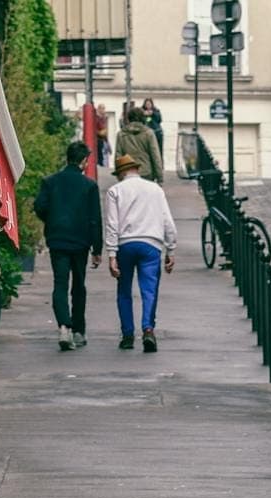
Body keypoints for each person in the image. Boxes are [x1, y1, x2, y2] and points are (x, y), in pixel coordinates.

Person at [103, 153, 177, 352]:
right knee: (149, 290)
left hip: (125, 245)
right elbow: (167, 220)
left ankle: (127, 335)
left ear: (121, 172)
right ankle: (148, 329)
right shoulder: (155, 189)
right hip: (151, 244)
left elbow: (112, 224)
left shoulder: (115, 191)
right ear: (136, 169)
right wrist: (171, 249)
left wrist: (111, 254)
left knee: (124, 291)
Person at [34, 140, 104, 351]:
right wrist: (97, 249)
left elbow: (40, 207)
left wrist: (52, 220)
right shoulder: (89, 186)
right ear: (83, 161)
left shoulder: (50, 182)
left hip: (57, 239)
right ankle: (78, 331)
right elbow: (95, 219)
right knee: (79, 286)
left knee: (60, 283)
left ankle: (64, 325)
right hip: (80, 241)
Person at [115, 103, 163, 183]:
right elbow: (155, 156)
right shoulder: (149, 133)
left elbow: (118, 156)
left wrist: (119, 176)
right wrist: (160, 178)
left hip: (128, 173)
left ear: (129, 118)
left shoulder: (121, 134)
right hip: (146, 173)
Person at [142, 97, 165, 164]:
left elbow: (159, 119)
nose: (148, 105)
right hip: (146, 134)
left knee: (158, 150)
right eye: (147, 104)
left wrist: (152, 114)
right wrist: (144, 114)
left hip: (157, 133)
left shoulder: (156, 111)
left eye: (149, 104)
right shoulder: (142, 111)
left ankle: (160, 164)